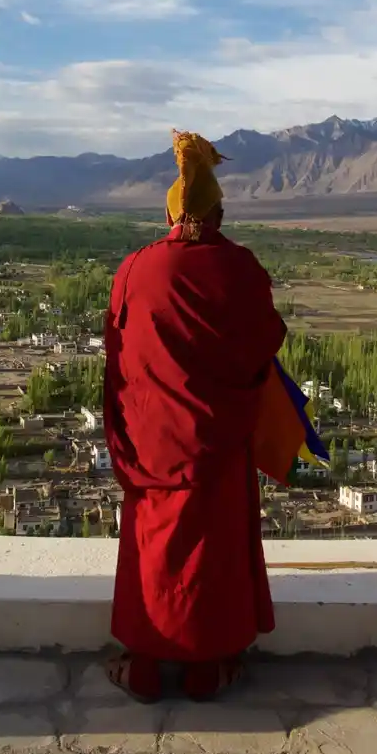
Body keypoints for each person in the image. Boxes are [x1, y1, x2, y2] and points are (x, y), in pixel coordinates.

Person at [101, 130, 286, 702]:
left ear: (171, 213)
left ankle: (147, 668)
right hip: (220, 439)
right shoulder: (243, 269)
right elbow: (266, 340)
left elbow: (118, 350)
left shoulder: (136, 270)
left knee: (154, 547)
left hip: (153, 441)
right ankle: (209, 669)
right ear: (219, 211)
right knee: (214, 547)